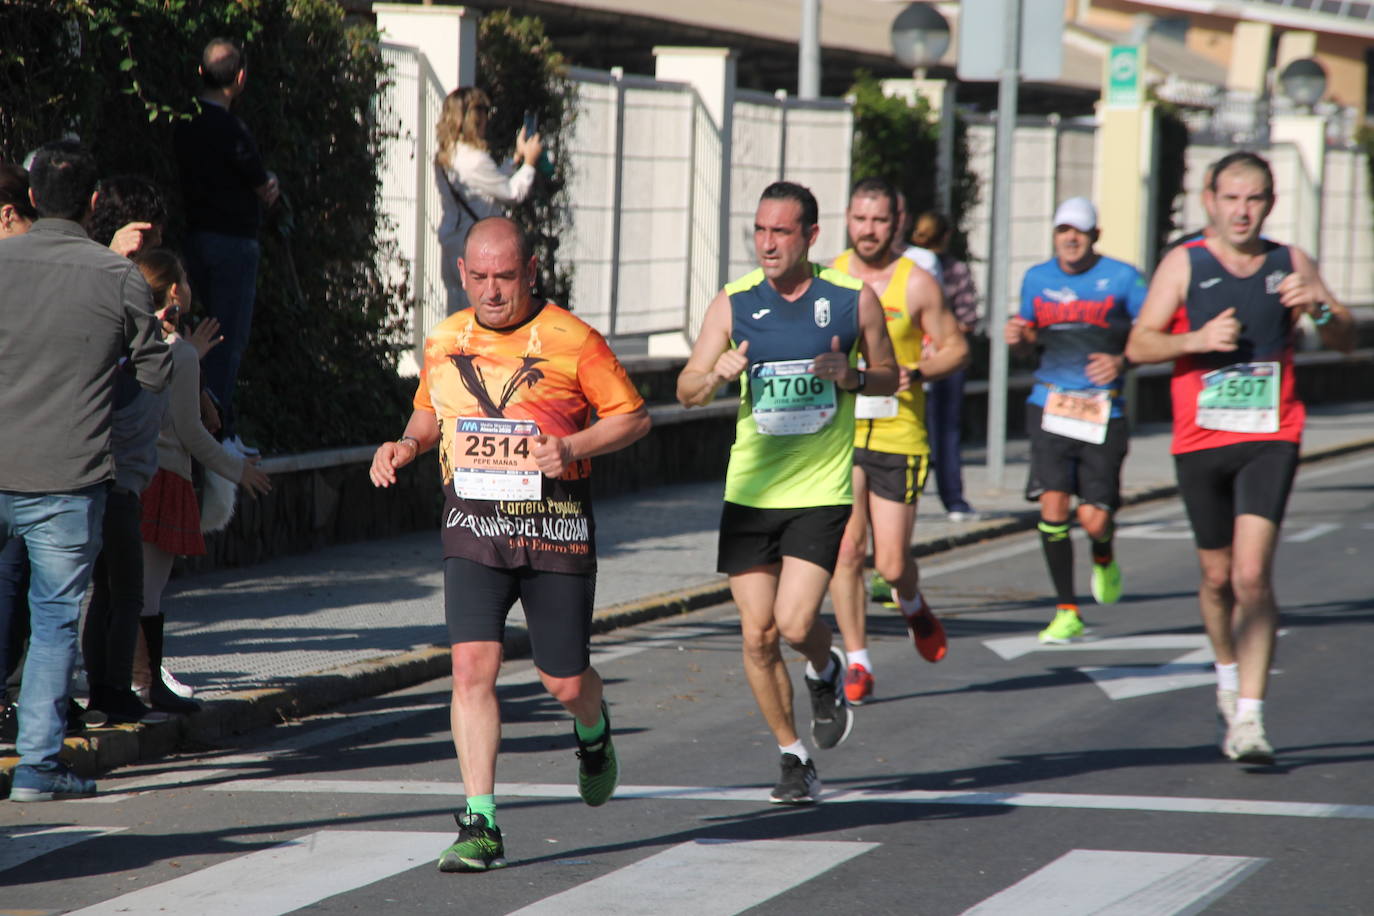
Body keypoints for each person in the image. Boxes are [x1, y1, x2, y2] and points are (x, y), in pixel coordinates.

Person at [370, 217, 649, 871]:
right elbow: (432, 409)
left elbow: (635, 417)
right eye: (480, 277)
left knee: (563, 680)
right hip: (473, 526)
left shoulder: (572, 340)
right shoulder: (445, 339)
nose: (492, 291)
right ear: (462, 274)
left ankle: (593, 729)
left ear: (529, 272)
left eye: (505, 277)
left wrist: (573, 446)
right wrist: (407, 444)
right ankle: (480, 822)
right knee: (471, 670)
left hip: (556, 529)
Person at [1125, 151, 1355, 764]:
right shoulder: (1185, 263)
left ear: (1270, 203)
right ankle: (1226, 672)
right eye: (1230, 198)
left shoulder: (1290, 262)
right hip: (1199, 440)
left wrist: (1322, 307)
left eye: (1253, 199)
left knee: (1253, 575)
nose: (1242, 211)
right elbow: (1139, 343)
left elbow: (1345, 338)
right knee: (1216, 577)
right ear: (1209, 200)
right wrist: (1195, 340)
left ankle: (1251, 718)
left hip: (1269, 434)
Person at [676, 181, 898, 804]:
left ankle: (824, 668)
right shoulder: (735, 301)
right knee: (756, 635)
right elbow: (685, 387)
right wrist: (713, 375)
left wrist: (850, 375)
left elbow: (891, 376)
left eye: (781, 232)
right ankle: (793, 756)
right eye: (760, 231)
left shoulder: (852, 299)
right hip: (750, 491)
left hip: (820, 489)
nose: (767, 244)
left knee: (797, 622)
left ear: (810, 237)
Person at [0, 140, 171, 801]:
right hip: (67, 477)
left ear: (32, 198)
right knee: (52, 622)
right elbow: (153, 372)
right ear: (96, 202)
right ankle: (38, 768)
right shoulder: (118, 278)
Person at [826, 179, 967, 706]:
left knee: (888, 563)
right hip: (840, 432)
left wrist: (918, 370)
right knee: (846, 549)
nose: (868, 230)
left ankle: (910, 598)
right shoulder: (831, 275)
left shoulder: (916, 283)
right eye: (860, 219)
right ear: (847, 219)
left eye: (879, 220)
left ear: (898, 222)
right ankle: (858, 661)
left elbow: (956, 348)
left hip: (899, 432)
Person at [133, 249, 270, 714]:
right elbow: (190, 432)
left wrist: (196, 356)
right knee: (148, 589)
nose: (189, 285)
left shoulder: (130, 338)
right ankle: (145, 684)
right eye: (185, 277)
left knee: (117, 586)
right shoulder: (180, 353)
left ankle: (125, 683)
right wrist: (239, 470)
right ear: (174, 290)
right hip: (165, 478)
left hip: (124, 476)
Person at [1005, 197, 1146, 644]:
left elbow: (1153, 333)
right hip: (1050, 404)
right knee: (1054, 507)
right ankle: (1066, 609)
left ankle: (1103, 553)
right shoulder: (1036, 279)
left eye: (1080, 231)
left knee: (1094, 520)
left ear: (1095, 236)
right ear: (1054, 235)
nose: (1070, 238)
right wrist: (1019, 338)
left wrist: (1122, 360)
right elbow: (1028, 343)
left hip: (1104, 410)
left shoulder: (1123, 278)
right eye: (1063, 230)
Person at [174, 37, 280, 448]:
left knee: (193, 331)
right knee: (225, 337)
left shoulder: (183, 121)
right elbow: (261, 185)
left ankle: (193, 416)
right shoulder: (232, 129)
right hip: (233, 244)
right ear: (240, 79)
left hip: (194, 238)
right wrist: (270, 184)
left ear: (201, 73)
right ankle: (218, 429)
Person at [434, 86, 543, 314]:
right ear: (473, 117)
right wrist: (530, 163)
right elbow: (512, 193)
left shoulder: (446, 155)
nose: (487, 118)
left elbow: (490, 183)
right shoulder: (474, 159)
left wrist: (516, 159)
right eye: (483, 110)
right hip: (476, 246)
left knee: (458, 312)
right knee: (483, 312)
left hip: (451, 241)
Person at [912, 210, 981, 521]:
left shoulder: (907, 266)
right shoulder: (951, 269)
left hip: (921, 359)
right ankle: (952, 499)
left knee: (927, 427)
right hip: (932, 359)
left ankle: (920, 495)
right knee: (943, 431)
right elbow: (967, 319)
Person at [891, 190, 942, 285]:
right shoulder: (856, 260)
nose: (895, 219)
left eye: (899, 213)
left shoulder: (925, 260)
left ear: (908, 219)